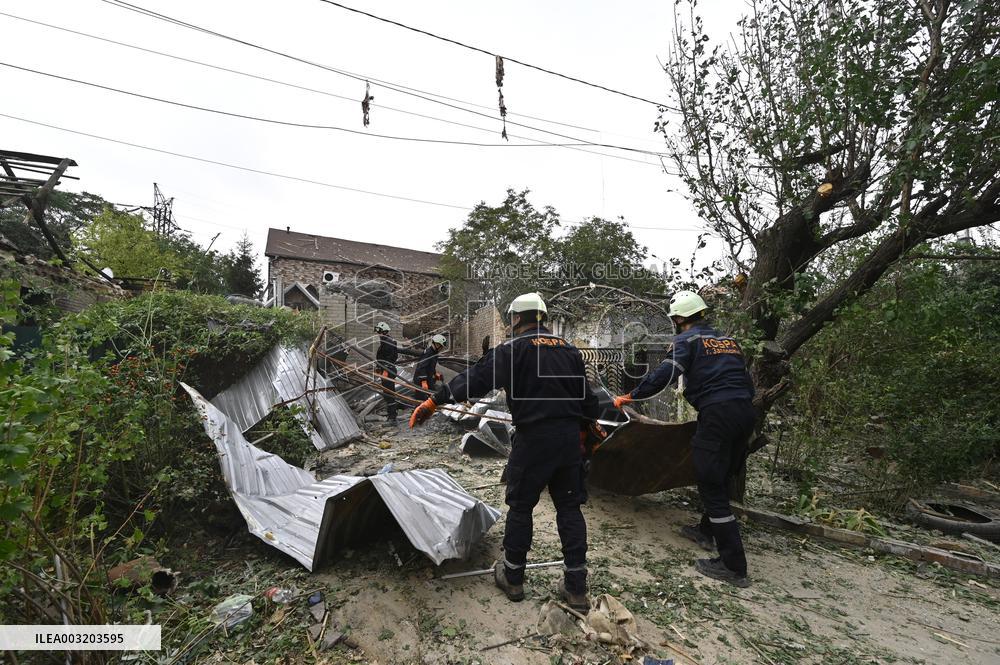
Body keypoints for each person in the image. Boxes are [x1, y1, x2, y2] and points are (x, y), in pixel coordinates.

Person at [409, 292, 600, 612]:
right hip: (568, 442)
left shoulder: (513, 349)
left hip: (534, 440)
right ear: (542, 317)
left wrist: (434, 401)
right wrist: (587, 429)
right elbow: (589, 400)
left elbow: (477, 379)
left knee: (521, 507)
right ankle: (577, 589)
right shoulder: (568, 350)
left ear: (515, 319)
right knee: (569, 509)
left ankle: (512, 576)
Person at [613, 290, 756, 588]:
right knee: (723, 474)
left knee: (709, 481)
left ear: (678, 319)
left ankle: (734, 566)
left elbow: (665, 375)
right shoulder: (728, 341)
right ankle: (706, 531)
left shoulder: (685, 341)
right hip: (745, 412)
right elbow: (743, 379)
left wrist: (631, 395)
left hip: (718, 413)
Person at [374, 322, 421, 423]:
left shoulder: (388, 342)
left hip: (388, 369)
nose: (377, 333)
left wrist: (385, 370)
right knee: (387, 393)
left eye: (378, 331)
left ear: (383, 331)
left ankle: (392, 417)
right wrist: (379, 368)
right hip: (386, 369)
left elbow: (390, 358)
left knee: (389, 393)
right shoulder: (385, 341)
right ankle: (392, 413)